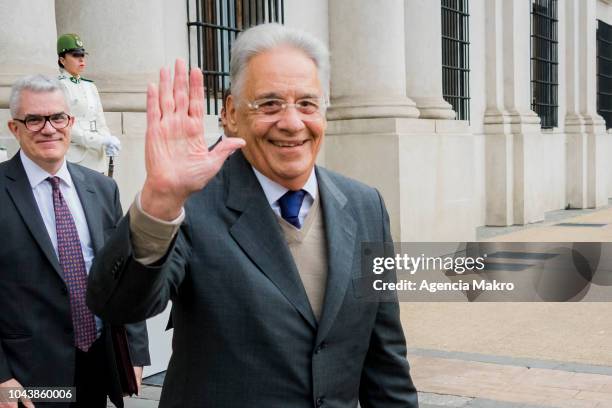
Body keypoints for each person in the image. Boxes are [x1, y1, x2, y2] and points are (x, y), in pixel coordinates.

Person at [87, 23, 418, 407]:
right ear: (230, 113)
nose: (292, 122)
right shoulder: (191, 205)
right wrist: (159, 204)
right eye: (270, 104)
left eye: (307, 103)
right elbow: (119, 306)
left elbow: (386, 360)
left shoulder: (365, 206)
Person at [0, 75, 150, 408]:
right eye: (34, 119)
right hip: (27, 379)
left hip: (97, 360)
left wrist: (135, 353)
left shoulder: (101, 189)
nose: (49, 128)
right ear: (15, 128)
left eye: (57, 118)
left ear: (70, 122)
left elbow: (124, 274)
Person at [56, 33, 121, 174]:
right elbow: (65, 125)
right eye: (74, 55)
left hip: (97, 158)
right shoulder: (59, 86)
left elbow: (100, 120)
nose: (81, 59)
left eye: (82, 55)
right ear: (62, 60)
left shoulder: (90, 86)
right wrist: (99, 141)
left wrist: (108, 139)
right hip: (76, 158)